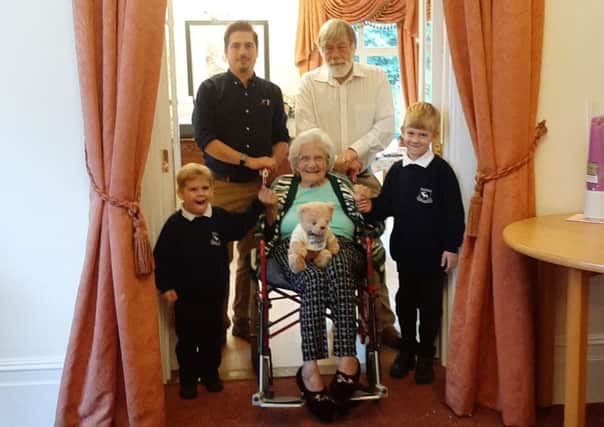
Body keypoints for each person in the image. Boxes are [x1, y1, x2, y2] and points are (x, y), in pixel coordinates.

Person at [261, 128, 385, 422]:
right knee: (312, 278)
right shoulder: (282, 186)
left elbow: (373, 226)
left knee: (340, 264)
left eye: (319, 157)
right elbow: (266, 232)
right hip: (293, 247)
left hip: (338, 244)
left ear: (329, 161)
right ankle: (310, 370)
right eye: (304, 158)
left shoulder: (343, 184)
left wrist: (368, 207)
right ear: (294, 162)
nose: (312, 164)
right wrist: (267, 209)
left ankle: (347, 363)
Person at [295, 18, 400, 347]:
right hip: (319, 179)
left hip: (362, 177)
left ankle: (382, 321)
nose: (335, 53)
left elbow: (385, 125)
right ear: (320, 50)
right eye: (328, 47)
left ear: (353, 48)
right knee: (323, 241)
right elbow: (307, 128)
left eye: (341, 46)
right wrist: (334, 160)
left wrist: (355, 151)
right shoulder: (308, 83)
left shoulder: (377, 78)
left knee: (369, 246)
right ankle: (338, 314)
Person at [192, 21, 290, 342]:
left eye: (248, 45)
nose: (242, 52)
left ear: (256, 51)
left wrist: (274, 158)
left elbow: (281, 138)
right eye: (236, 46)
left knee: (251, 258)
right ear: (226, 51)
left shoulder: (271, 93)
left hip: (256, 190)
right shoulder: (210, 90)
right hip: (219, 187)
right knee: (216, 257)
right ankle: (215, 323)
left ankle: (244, 320)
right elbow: (205, 140)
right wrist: (248, 160)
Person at [354, 102, 465, 384]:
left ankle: (426, 354)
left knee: (429, 306)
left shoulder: (442, 172)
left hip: (433, 255)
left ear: (434, 137)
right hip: (404, 251)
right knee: (405, 301)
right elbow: (386, 206)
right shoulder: (397, 172)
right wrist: (370, 205)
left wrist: (451, 247)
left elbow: (455, 214)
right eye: (411, 133)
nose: (416, 140)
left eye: (423, 135)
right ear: (402, 133)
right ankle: (408, 350)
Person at [153, 163, 277, 399]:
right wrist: (166, 286)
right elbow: (162, 258)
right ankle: (188, 378)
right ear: (181, 193)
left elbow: (241, 225)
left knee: (213, 336)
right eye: (193, 189)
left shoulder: (219, 218)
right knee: (187, 339)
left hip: (214, 294)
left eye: (204, 188)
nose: (200, 194)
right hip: (185, 297)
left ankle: (211, 374)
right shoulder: (174, 225)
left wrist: (258, 203)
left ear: (212, 190)